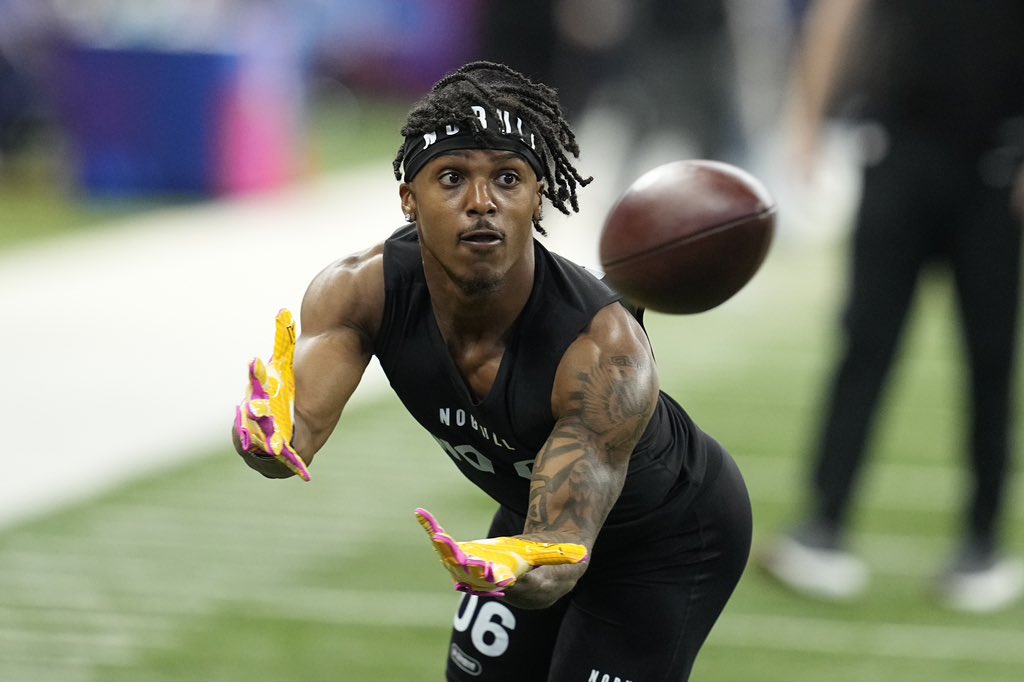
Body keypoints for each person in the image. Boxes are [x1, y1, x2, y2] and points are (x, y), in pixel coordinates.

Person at [233, 61, 752, 680]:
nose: (480, 203)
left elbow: (558, 557)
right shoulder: (359, 293)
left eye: (507, 179)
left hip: (664, 537)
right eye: (450, 178)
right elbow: (293, 439)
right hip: (533, 510)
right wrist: (262, 436)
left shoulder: (603, 350)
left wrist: (527, 567)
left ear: (537, 199)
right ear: (409, 200)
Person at [759, 0, 1024, 612]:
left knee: (992, 353)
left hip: (997, 157)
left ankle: (983, 540)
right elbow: (838, 12)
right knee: (865, 341)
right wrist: (807, 122)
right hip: (898, 143)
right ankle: (823, 524)